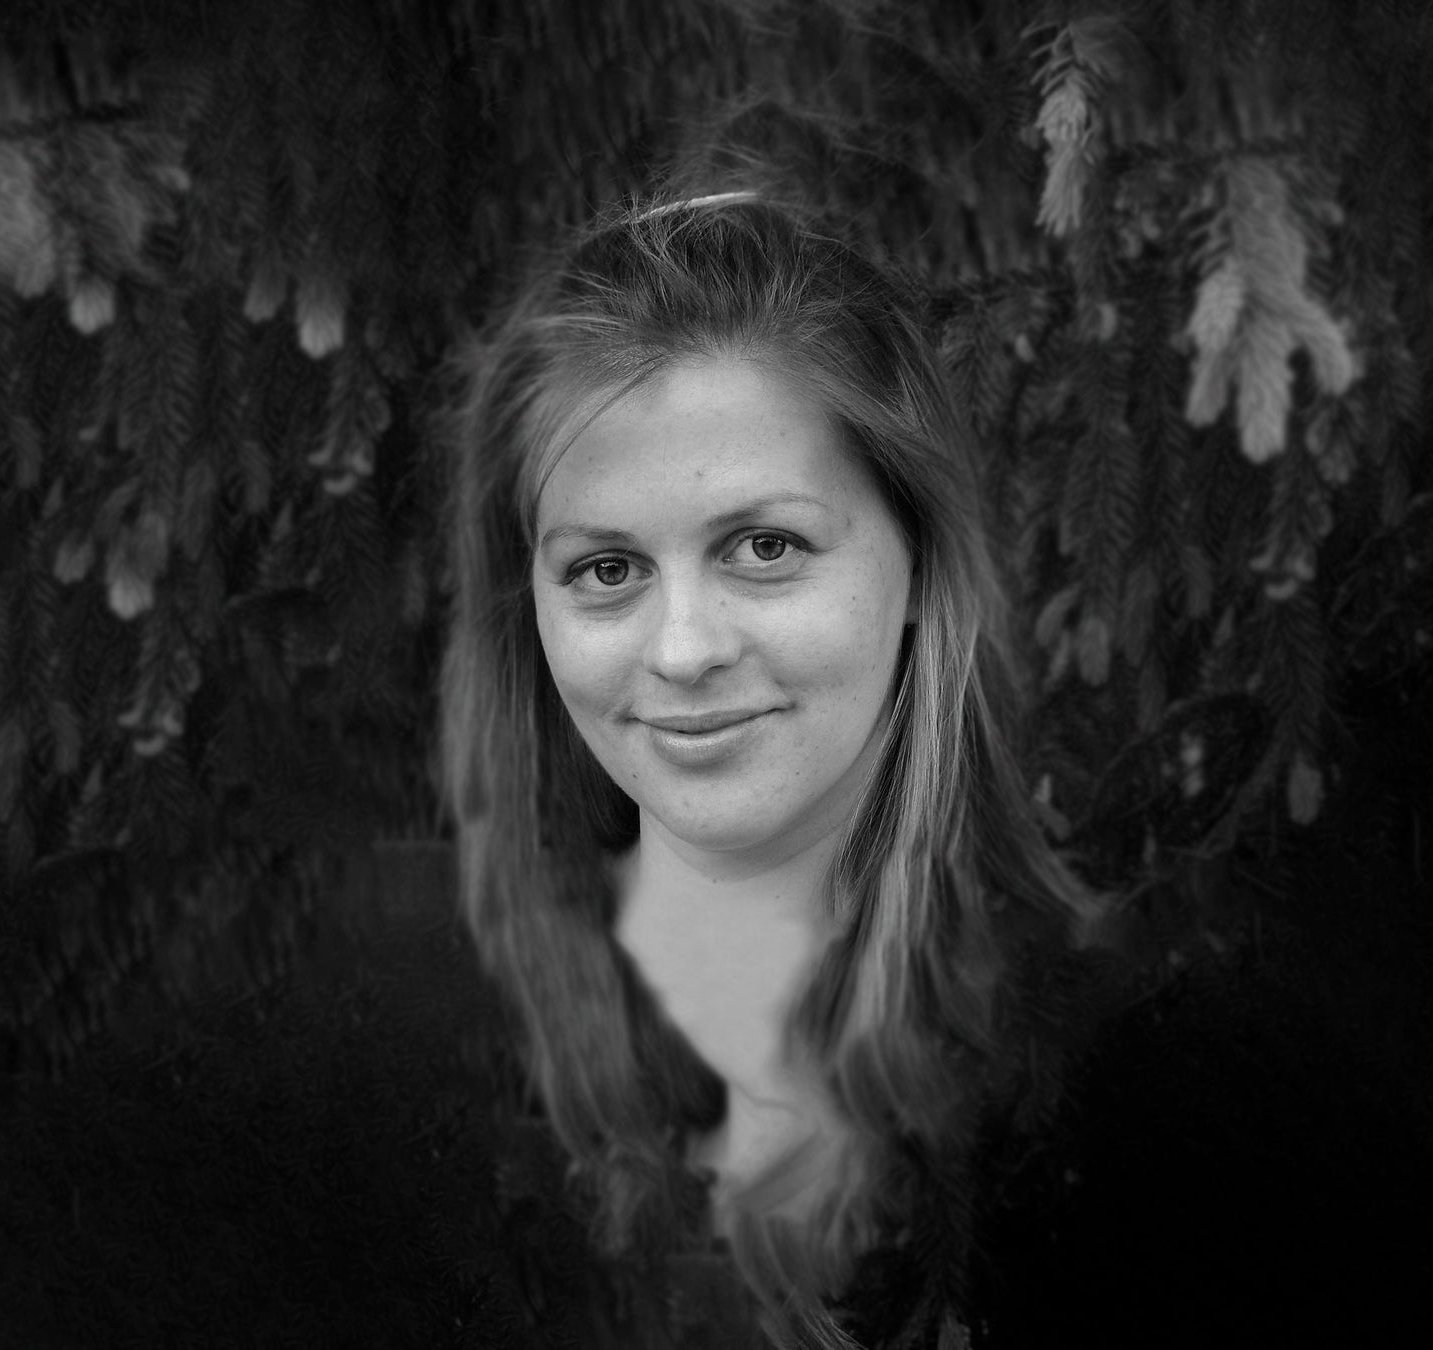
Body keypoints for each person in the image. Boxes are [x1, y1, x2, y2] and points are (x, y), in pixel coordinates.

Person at [438, 187, 1110, 1347]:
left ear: (921, 560)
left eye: (765, 546)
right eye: (606, 570)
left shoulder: (1123, 1082)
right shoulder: (443, 1082)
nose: (684, 651)